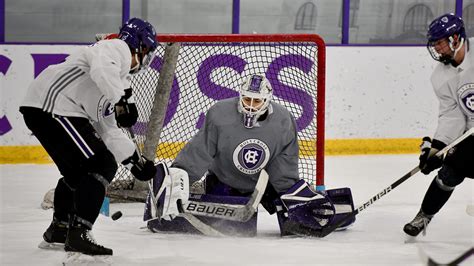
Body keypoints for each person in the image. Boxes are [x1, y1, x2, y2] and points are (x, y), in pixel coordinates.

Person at [143, 74, 355, 236]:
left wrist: (294, 197)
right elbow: (200, 152)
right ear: (240, 96)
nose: (251, 106)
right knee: (233, 229)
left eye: (257, 101)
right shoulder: (219, 114)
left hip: (265, 185)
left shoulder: (283, 121)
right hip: (224, 180)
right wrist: (178, 182)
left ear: (267, 101)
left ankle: (324, 212)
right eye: (247, 99)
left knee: (294, 224)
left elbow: (283, 166)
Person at [19, 18, 159, 255]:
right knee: (101, 163)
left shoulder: (120, 80)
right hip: (53, 105)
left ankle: (60, 230)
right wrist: (122, 101)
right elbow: (103, 68)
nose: (148, 58)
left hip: (46, 108)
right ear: (141, 47)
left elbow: (109, 129)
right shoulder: (116, 49)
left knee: (79, 174)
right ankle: (80, 233)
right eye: (149, 51)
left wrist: (134, 161)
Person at [403, 13, 474, 237]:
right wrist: (437, 148)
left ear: (456, 38)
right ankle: (424, 216)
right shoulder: (440, 77)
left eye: (440, 43)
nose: (437, 49)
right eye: (434, 44)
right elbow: (452, 115)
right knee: (450, 168)